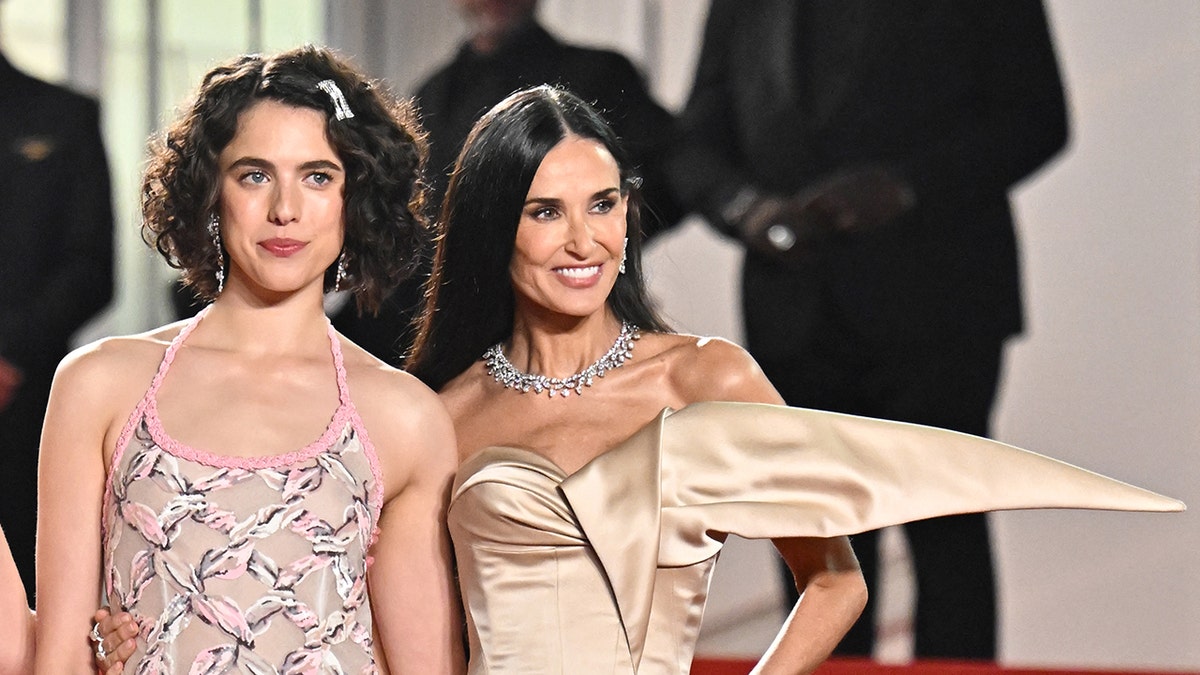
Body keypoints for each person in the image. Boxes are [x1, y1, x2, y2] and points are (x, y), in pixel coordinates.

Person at [94, 85, 1180, 675]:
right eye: (544, 210)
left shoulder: (704, 377)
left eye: (604, 205)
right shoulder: (440, 409)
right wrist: (125, 628)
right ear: (493, 230)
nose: (582, 242)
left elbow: (835, 581)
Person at [35, 45, 463, 674]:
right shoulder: (99, 385)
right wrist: (97, 653)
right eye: (254, 175)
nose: (284, 209)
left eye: (318, 176)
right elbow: (59, 659)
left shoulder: (403, 416)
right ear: (211, 192)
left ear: (356, 197)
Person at [664, 0, 1070, 659]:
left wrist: (906, 188)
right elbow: (695, 142)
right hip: (794, 310)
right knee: (820, 555)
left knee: (945, 540)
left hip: (942, 304)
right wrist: (746, 209)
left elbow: (1037, 119)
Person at [332, 0, 680, 368]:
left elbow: (673, 180)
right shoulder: (435, 92)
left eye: (601, 206)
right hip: (440, 328)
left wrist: (588, 261)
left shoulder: (599, 75)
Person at [0, 31, 115, 603]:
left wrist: (10, 356)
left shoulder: (64, 117)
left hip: (26, 410)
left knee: (29, 592)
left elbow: (92, 268)